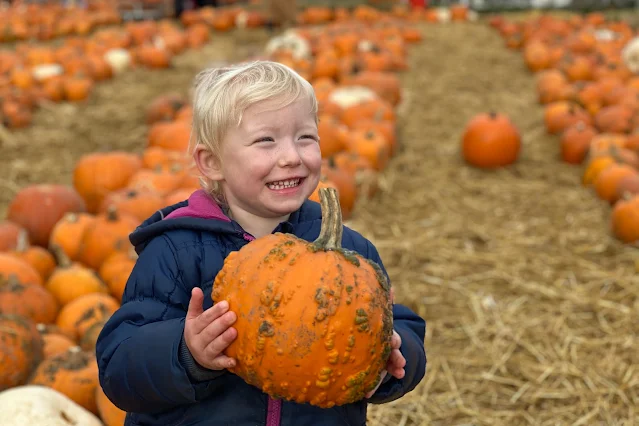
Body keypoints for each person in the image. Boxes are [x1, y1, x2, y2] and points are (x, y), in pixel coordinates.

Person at [95, 60, 427, 426]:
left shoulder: (349, 252)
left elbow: (403, 326)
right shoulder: (177, 252)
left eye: (305, 137)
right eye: (266, 141)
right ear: (212, 162)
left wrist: (390, 357)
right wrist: (185, 350)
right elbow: (118, 364)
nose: (291, 157)